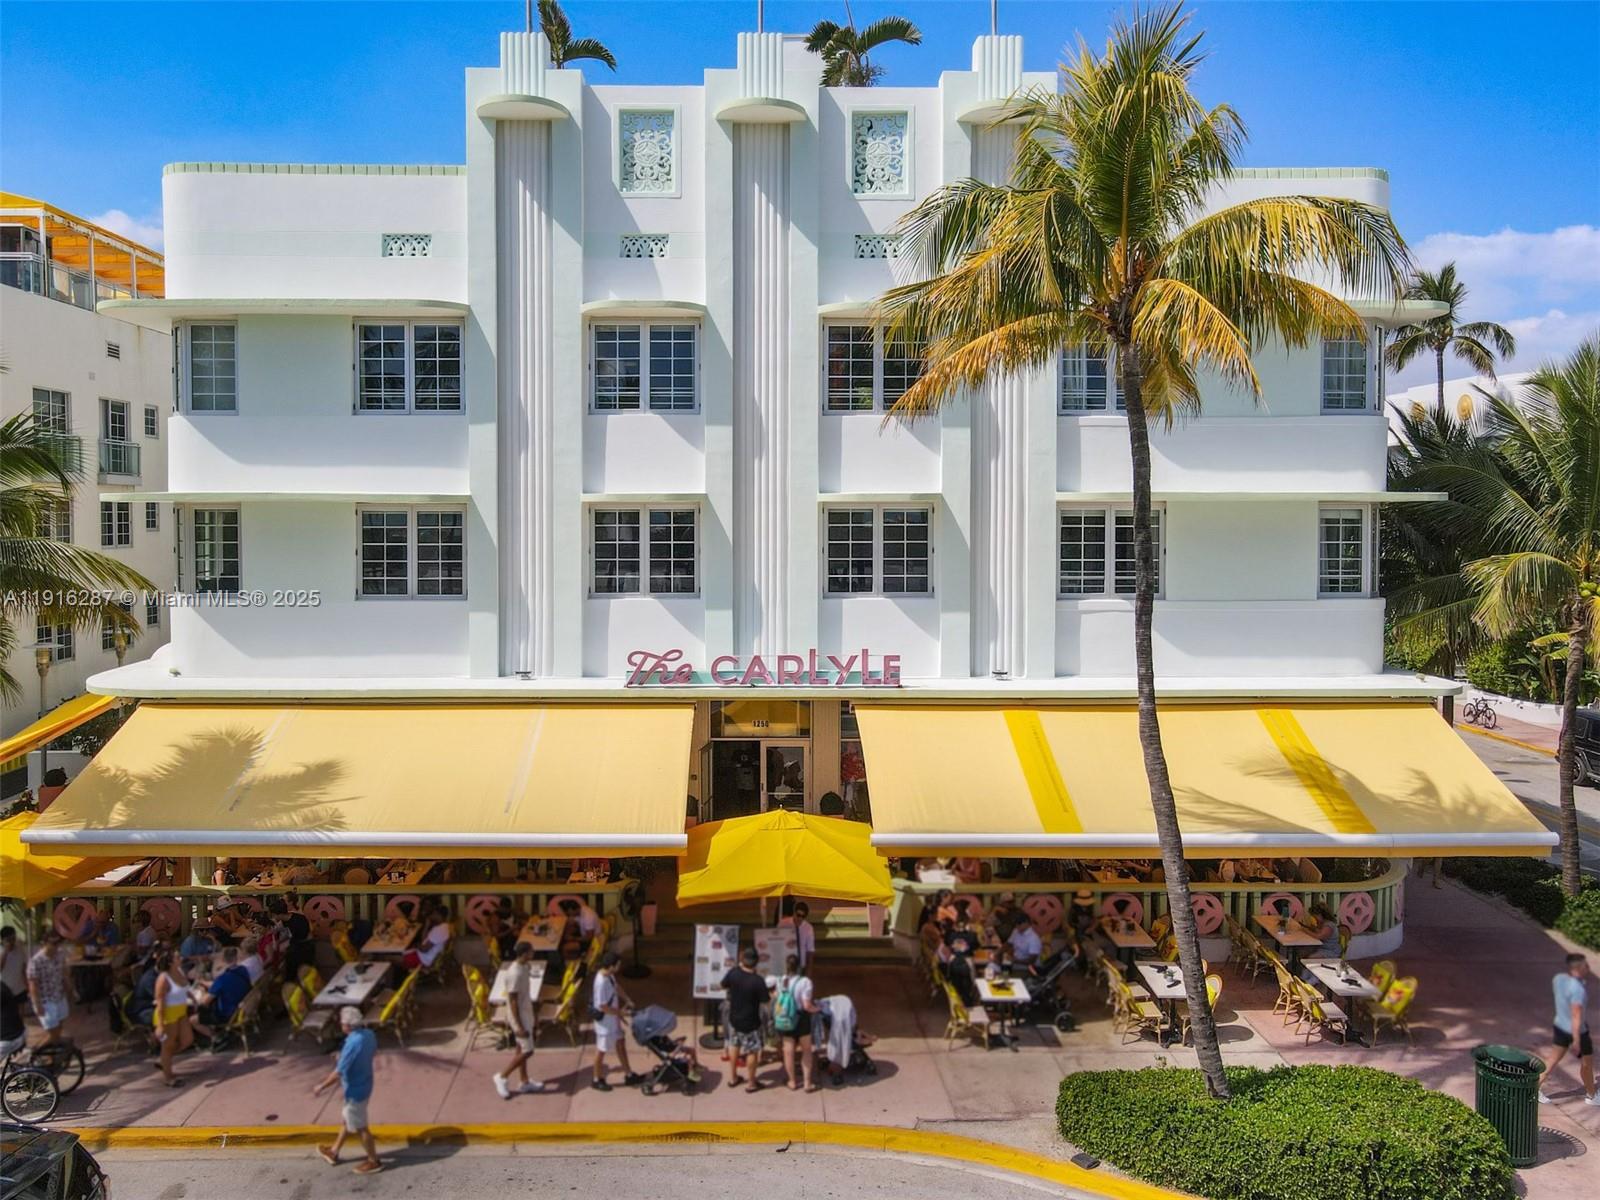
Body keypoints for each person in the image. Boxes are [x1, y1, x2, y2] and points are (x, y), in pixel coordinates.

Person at [314, 1007, 383, 1174]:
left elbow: (338, 1072)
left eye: (342, 1022)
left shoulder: (351, 1044)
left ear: (348, 1026)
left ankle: (374, 1161)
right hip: (366, 1083)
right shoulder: (368, 1034)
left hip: (355, 1091)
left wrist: (321, 1086)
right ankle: (334, 1151)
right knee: (348, 1118)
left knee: (361, 1127)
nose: (340, 1024)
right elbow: (371, 1052)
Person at [1540, 953, 1598, 1106]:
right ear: (1578, 968)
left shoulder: (1558, 979)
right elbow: (1576, 1015)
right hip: (1577, 1032)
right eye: (1586, 965)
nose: (1588, 968)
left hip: (1560, 1025)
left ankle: (1534, 1089)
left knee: (1552, 1060)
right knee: (1587, 1063)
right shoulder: (1578, 990)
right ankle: (1592, 1095)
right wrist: (1577, 1040)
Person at [493, 942, 549, 1098]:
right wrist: (518, 1025)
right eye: (531, 951)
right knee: (528, 1050)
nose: (533, 953)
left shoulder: (525, 967)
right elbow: (512, 1001)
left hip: (526, 1012)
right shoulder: (514, 973)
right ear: (525, 954)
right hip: (519, 1016)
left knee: (520, 1048)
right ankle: (502, 1076)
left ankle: (524, 1081)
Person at [719, 946, 770, 1093]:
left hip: (734, 1019)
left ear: (742, 960)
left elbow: (723, 985)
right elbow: (765, 1002)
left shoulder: (734, 973)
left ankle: (733, 1077)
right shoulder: (758, 981)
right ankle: (751, 1083)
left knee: (734, 1046)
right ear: (756, 962)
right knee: (752, 1051)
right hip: (751, 1022)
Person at [590, 950, 643, 1091]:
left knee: (620, 1043)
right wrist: (620, 1013)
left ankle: (629, 1074)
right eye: (618, 964)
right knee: (601, 1051)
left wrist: (627, 999)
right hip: (605, 1024)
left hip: (613, 1020)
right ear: (611, 966)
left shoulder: (610, 976)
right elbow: (602, 1006)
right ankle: (597, 1079)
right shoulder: (601, 982)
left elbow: (617, 988)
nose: (620, 967)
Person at [152, 950, 199, 1086]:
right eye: (177, 956)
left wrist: (193, 998)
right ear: (171, 961)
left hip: (181, 1011)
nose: (181, 958)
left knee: (187, 1039)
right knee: (168, 1045)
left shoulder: (180, 971)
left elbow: (185, 988)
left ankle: (164, 1060)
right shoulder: (163, 979)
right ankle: (168, 1077)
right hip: (168, 1014)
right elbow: (160, 1002)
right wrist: (161, 1025)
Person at [774, 955, 819, 1093]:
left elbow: (777, 997)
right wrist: (817, 1009)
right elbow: (806, 1005)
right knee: (806, 1050)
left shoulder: (781, 980)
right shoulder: (805, 981)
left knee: (788, 1051)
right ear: (800, 966)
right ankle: (807, 1083)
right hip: (801, 1018)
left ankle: (792, 1082)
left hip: (785, 1018)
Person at [26, 930, 73, 1046]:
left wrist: (70, 990)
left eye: (58, 943)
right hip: (46, 1001)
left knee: (59, 1025)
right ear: (44, 943)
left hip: (59, 996)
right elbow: (33, 985)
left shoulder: (60, 954)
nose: (56, 946)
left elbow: (64, 973)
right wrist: (37, 1005)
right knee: (53, 1031)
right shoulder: (36, 961)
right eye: (53, 943)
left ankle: (54, 1049)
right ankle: (40, 1051)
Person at [205, 947, 252, 1026]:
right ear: (236, 958)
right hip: (243, 1006)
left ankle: (215, 1036)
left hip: (229, 1014)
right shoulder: (243, 969)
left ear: (223, 960)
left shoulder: (221, 979)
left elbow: (206, 1001)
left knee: (194, 1019)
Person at [0, 927, 27, 1001]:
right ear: (2, 940)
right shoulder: (1, 951)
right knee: (6, 1012)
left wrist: (27, 984)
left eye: (13, 938)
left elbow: (24, 967)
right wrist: (5, 951)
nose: (12, 942)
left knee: (21, 1012)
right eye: (9, 940)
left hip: (20, 988)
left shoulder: (19, 948)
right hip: (4, 990)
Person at [790, 902, 816, 971]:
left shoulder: (808, 928)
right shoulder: (784, 924)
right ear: (794, 913)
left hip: (800, 965)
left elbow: (810, 950)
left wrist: (809, 971)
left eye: (803, 916)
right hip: (786, 964)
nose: (800, 918)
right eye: (798, 915)